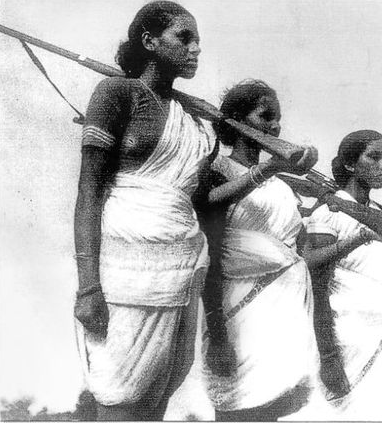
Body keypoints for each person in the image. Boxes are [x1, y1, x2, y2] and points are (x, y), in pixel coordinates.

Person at [72, 1, 214, 420]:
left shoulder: (196, 120)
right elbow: (89, 191)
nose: (195, 48)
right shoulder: (118, 93)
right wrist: (87, 288)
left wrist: (266, 170)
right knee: (119, 401)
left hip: (180, 271)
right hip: (122, 272)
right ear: (150, 42)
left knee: (154, 402)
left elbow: (197, 200)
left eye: (198, 40)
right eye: (183, 37)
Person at [195, 79, 320, 421]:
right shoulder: (218, 172)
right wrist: (218, 333)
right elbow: (210, 254)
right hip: (235, 316)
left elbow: (299, 253)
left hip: (282, 316)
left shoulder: (282, 186)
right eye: (266, 116)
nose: (275, 126)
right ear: (236, 120)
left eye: (277, 118)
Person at [302, 130, 382, 421]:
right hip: (345, 341)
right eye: (375, 157)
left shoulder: (381, 215)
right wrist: (328, 357)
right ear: (350, 164)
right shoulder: (329, 210)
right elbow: (317, 283)